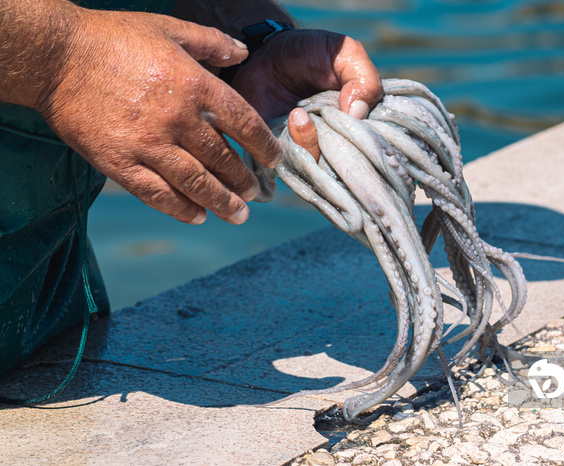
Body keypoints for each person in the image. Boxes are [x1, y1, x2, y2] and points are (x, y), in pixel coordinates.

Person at [0, 0, 383, 375]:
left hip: (46, 296)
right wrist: (66, 58)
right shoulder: (67, 58)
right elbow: (68, 52)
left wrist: (251, 38)